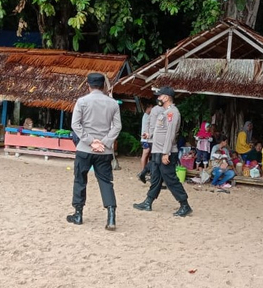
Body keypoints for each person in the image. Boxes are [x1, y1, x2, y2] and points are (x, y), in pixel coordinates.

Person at [69, 73, 122, 230]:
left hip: (84, 149)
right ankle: (111, 217)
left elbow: (75, 125)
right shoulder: (113, 103)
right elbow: (117, 126)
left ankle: (78, 214)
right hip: (104, 152)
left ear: (88, 85)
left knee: (80, 179)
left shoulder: (82, 102)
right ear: (104, 86)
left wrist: (90, 141)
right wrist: (104, 142)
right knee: (106, 182)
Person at [133, 86, 192, 217]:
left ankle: (184, 205)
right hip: (158, 150)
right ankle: (148, 202)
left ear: (166, 97)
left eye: (160, 96)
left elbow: (170, 134)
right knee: (156, 177)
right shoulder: (164, 112)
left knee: (170, 179)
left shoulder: (173, 112)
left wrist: (166, 153)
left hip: (166, 152)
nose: (158, 98)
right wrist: (150, 135)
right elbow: (161, 131)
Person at [137, 102, 154, 183]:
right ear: (149, 107)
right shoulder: (146, 116)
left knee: (146, 155)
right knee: (145, 154)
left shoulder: (146, 116)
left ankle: (144, 171)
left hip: (146, 138)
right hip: (145, 139)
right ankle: (142, 171)